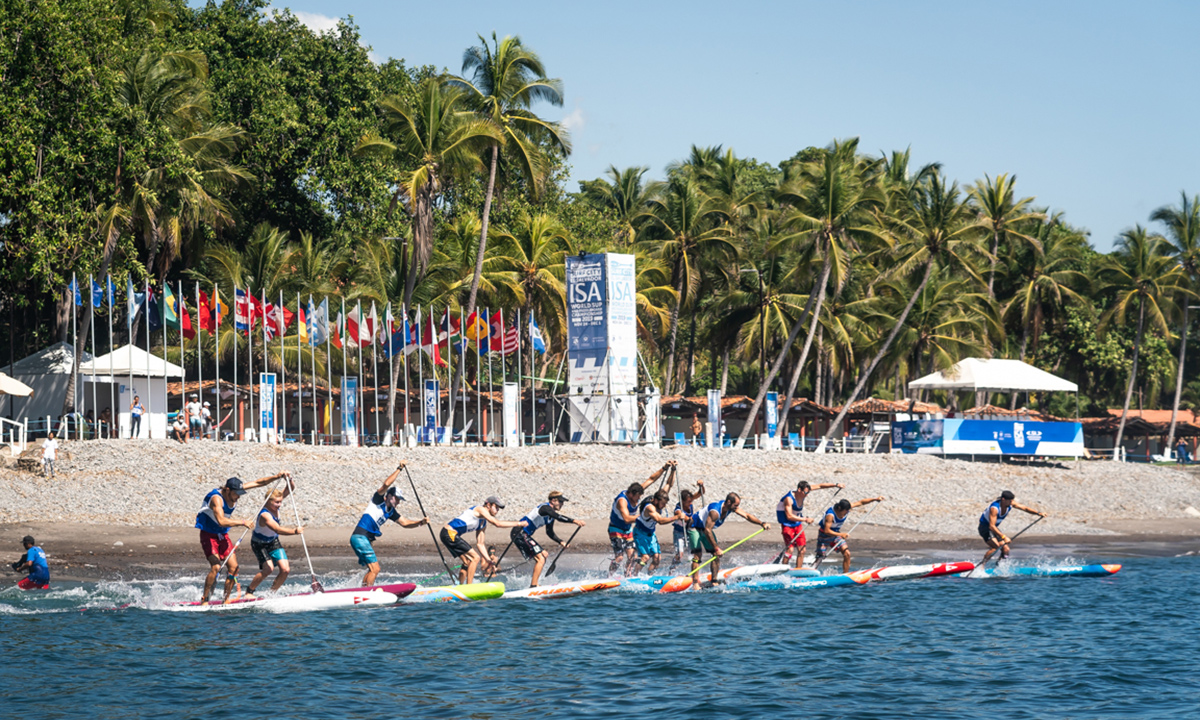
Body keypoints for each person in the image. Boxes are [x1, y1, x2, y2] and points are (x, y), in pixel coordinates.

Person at [195, 472, 290, 605]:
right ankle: (205, 599)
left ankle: (225, 600)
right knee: (216, 567)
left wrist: (277, 477)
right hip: (208, 535)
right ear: (228, 490)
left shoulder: (234, 490)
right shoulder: (217, 499)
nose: (238, 497)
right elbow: (221, 521)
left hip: (223, 535)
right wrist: (242, 522)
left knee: (234, 568)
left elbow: (258, 482)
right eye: (236, 494)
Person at [351, 465, 429, 586]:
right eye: (396, 498)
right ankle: (367, 593)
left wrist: (420, 522)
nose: (398, 502)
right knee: (376, 569)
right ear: (388, 496)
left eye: (399, 500)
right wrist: (399, 468)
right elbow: (386, 484)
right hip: (360, 537)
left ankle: (362, 590)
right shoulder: (378, 500)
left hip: (365, 539)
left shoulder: (391, 511)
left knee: (372, 569)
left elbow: (405, 523)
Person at [608, 461, 676, 575]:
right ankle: (609, 576)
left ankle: (628, 576)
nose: (639, 498)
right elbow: (627, 519)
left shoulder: (637, 492)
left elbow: (651, 479)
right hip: (616, 529)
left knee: (632, 557)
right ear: (631, 494)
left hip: (628, 530)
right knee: (619, 558)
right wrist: (643, 516)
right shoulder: (622, 501)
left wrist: (665, 468)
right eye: (638, 496)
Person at [689, 492, 771, 585]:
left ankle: (714, 581)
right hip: (694, 527)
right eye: (736, 505)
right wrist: (717, 548)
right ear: (728, 502)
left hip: (706, 529)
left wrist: (762, 523)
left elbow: (747, 515)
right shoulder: (715, 512)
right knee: (698, 554)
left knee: (716, 555)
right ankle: (695, 583)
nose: (737, 507)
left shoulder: (730, 508)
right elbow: (707, 530)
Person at [440, 496, 523, 584]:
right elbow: (497, 523)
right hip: (449, 533)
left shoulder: (483, 523)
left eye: (499, 508)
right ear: (488, 505)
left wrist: (489, 561)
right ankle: (469, 587)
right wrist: (518, 523)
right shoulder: (480, 509)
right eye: (496, 507)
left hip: (450, 535)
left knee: (467, 562)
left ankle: (460, 587)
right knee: (475, 558)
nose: (497, 510)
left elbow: (480, 544)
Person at [512, 490, 586, 587]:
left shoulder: (550, 516)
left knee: (544, 554)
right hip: (519, 533)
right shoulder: (545, 508)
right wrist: (575, 521)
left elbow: (549, 532)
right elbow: (559, 517)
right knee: (540, 559)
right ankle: (534, 585)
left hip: (525, 535)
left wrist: (560, 541)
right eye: (561, 501)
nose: (562, 504)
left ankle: (535, 580)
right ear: (553, 501)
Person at [244, 483, 305, 598]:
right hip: (259, 543)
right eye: (277, 502)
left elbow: (290, 488)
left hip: (273, 541)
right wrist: (295, 531)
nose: (279, 504)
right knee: (268, 569)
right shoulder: (265, 515)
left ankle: (271, 594)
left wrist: (290, 479)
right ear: (268, 501)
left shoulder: (275, 504)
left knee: (285, 569)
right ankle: (249, 592)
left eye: (281, 501)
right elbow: (277, 529)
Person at [776, 481, 845, 568]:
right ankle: (782, 569)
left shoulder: (805, 490)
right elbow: (789, 516)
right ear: (799, 490)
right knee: (790, 549)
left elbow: (820, 485)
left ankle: (798, 571)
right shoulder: (788, 499)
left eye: (808, 492)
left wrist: (836, 485)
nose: (807, 494)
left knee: (802, 550)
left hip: (797, 524)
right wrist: (805, 519)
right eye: (805, 492)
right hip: (787, 525)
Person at [815, 496, 885, 573]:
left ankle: (846, 574)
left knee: (847, 553)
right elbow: (826, 531)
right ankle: (810, 572)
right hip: (824, 536)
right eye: (846, 511)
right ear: (839, 509)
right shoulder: (830, 515)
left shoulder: (846, 507)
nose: (847, 512)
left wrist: (875, 499)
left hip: (836, 535)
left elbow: (860, 502)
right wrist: (841, 534)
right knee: (820, 558)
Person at [979, 490, 1047, 564]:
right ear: (1003, 499)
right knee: (996, 547)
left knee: (1006, 550)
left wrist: (1038, 513)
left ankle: (999, 566)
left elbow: (1025, 508)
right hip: (985, 528)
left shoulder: (1010, 503)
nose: (1012, 502)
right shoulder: (994, 508)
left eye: (1012, 500)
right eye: (1010, 500)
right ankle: (981, 566)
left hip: (994, 528)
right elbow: (991, 526)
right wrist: (1004, 537)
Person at [633, 490, 684, 575]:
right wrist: (676, 517)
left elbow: (668, 485)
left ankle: (650, 577)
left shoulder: (658, 504)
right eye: (663, 503)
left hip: (651, 534)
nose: (664, 506)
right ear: (656, 500)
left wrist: (672, 475)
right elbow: (660, 521)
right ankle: (633, 576)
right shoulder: (650, 508)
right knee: (645, 557)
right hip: (640, 533)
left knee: (657, 558)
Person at [670, 480, 704, 570]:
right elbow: (686, 518)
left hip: (689, 532)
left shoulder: (689, 503)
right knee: (680, 554)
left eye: (691, 501)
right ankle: (672, 569)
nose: (690, 503)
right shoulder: (678, 509)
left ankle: (693, 571)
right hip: (679, 534)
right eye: (688, 502)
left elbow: (701, 493)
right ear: (682, 501)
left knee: (692, 556)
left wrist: (701, 485)